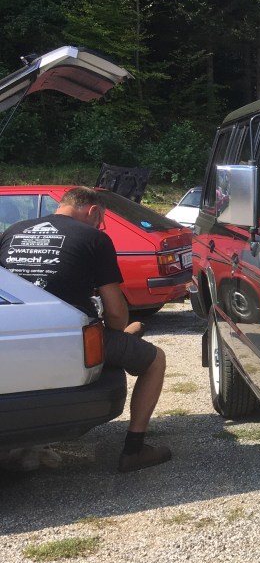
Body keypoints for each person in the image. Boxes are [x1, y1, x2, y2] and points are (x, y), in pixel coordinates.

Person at [0, 187, 170, 472]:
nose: (100, 226)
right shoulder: (94, 239)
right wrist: (118, 330)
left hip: (16, 336)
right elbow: (115, 314)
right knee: (155, 359)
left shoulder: (13, 231)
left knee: (125, 335)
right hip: (72, 339)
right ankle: (135, 450)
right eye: (100, 220)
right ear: (92, 211)